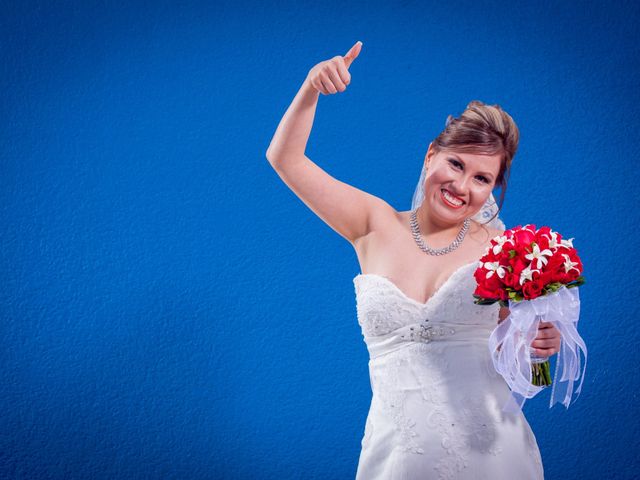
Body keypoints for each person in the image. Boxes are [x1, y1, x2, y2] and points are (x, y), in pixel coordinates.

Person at [266, 41, 561, 480]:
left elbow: (526, 372)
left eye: (482, 179)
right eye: (455, 164)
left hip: (493, 456)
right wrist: (311, 87)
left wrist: (539, 346)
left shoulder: (502, 250)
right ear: (430, 157)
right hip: (397, 459)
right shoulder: (373, 223)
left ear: (493, 190)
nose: (462, 185)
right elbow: (284, 159)